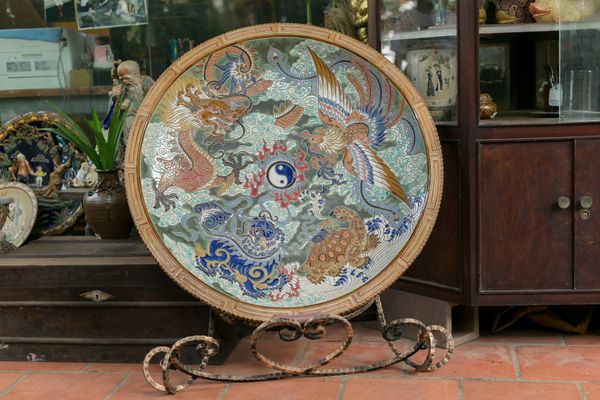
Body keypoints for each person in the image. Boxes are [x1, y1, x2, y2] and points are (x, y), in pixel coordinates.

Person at [103, 60, 154, 165]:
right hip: (123, 125)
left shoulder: (146, 84)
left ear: (137, 75)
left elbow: (152, 105)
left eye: (127, 78)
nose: (125, 81)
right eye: (121, 79)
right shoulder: (123, 87)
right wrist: (115, 99)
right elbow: (114, 111)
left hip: (143, 123)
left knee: (129, 120)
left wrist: (131, 108)